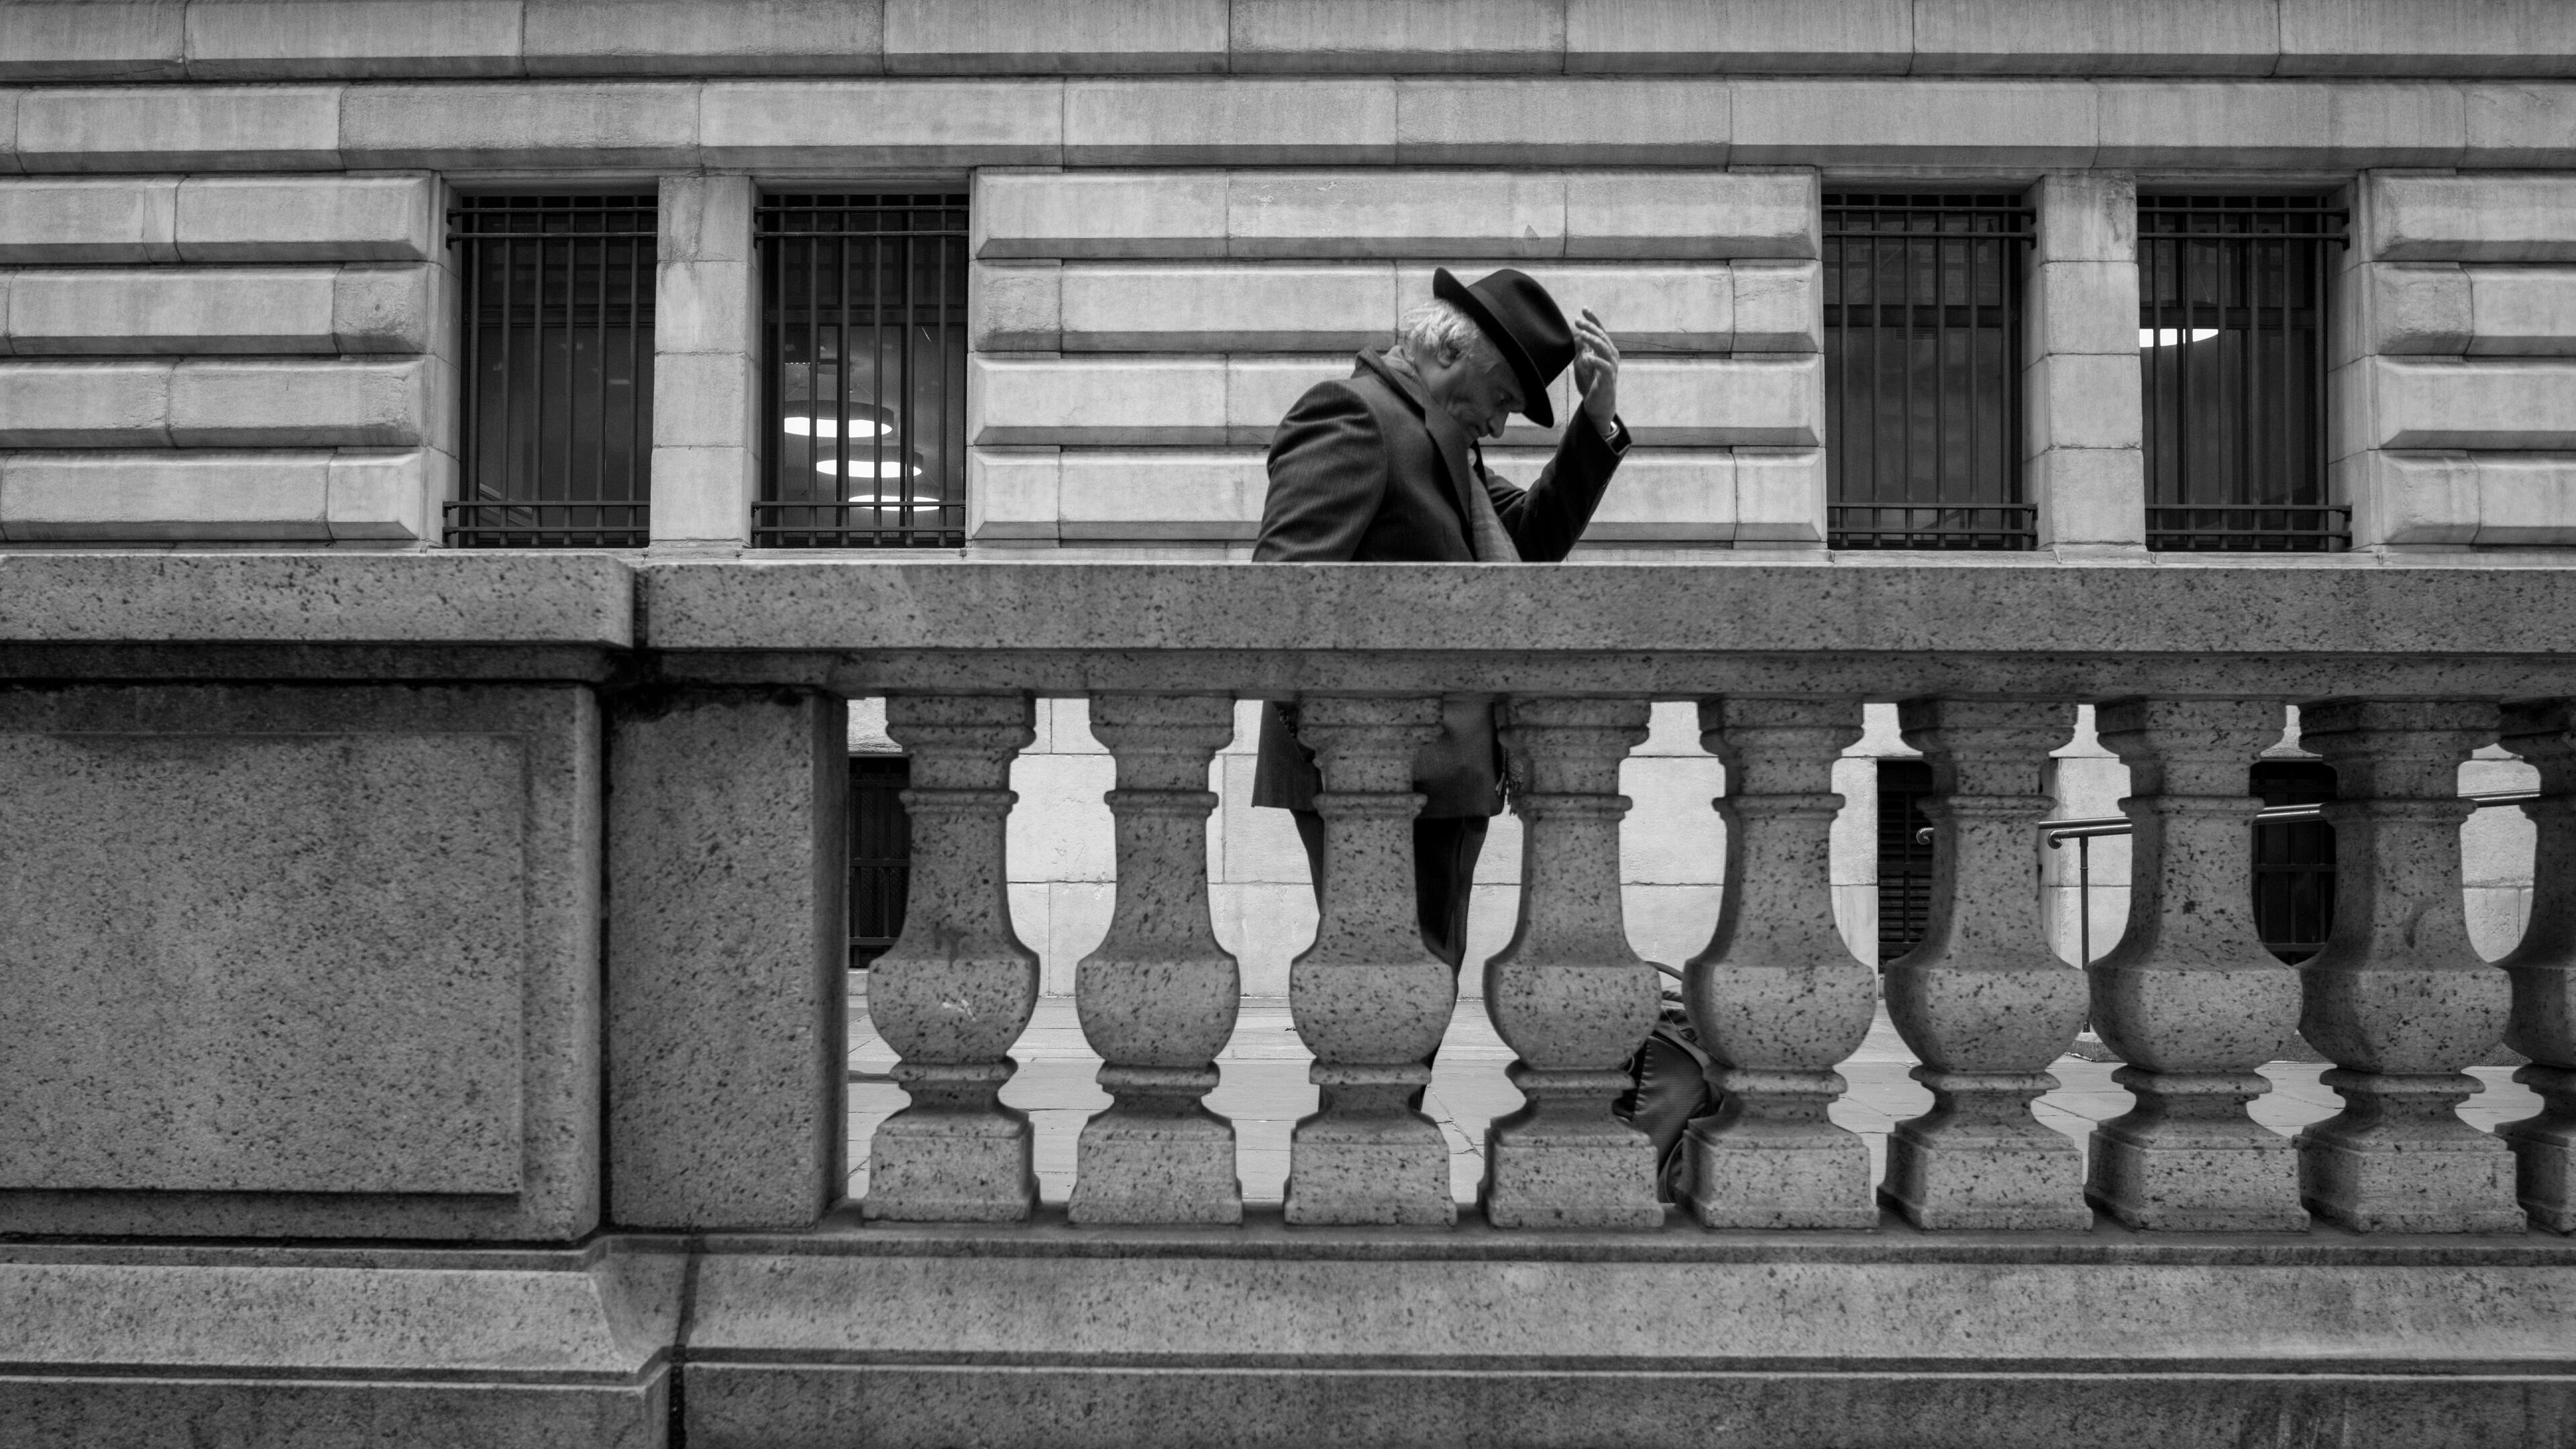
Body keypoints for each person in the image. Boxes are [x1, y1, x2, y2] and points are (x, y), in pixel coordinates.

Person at [1251, 266, 1629, 969]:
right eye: (1502, 399)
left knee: (1410, 1003)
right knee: (1387, 1006)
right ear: (1451, 354)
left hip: (1437, 776)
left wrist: (1596, 422)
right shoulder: (1356, 414)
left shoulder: (1440, 436)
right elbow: (1282, 596)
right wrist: (1339, 752)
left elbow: (1529, 542)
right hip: (1376, 776)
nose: (1497, 422)